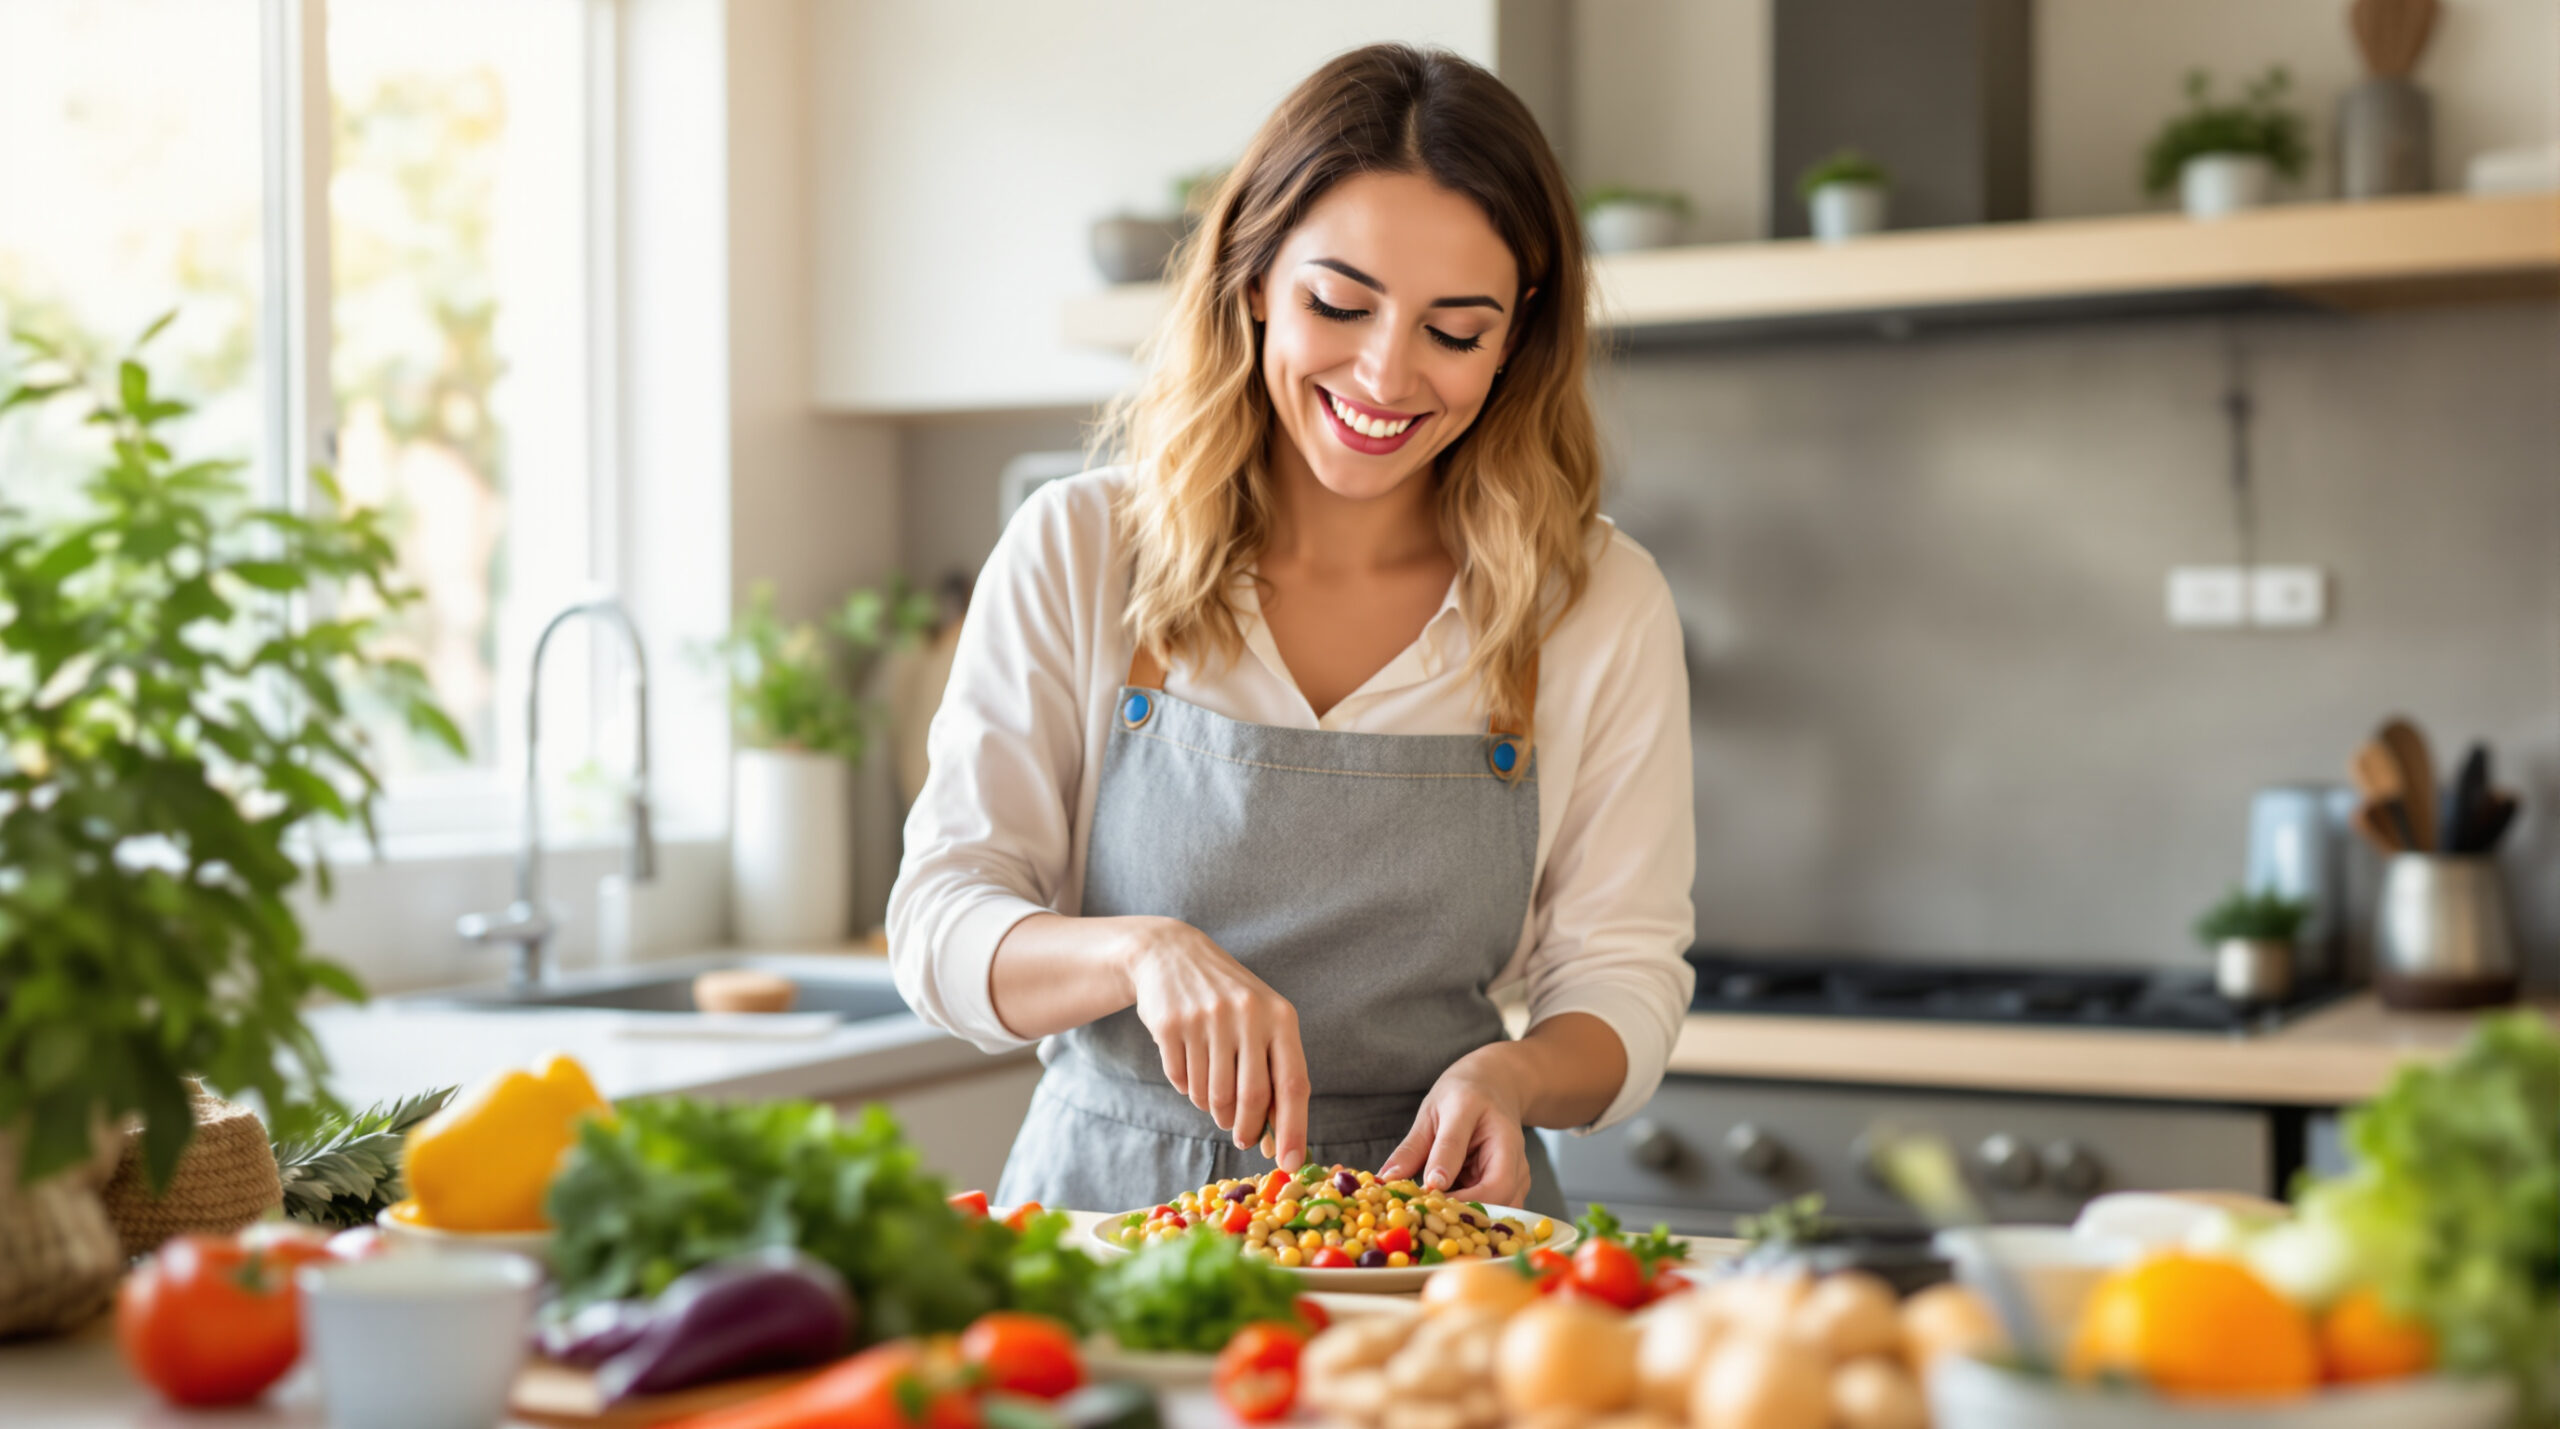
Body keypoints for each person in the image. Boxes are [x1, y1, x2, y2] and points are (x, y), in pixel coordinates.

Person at [887, 43, 1693, 1217]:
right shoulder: (1079, 549)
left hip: (1436, 1232)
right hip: (1105, 1224)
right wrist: (1137, 953)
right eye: (1337, 302)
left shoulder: (1595, 601)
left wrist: (1515, 1073)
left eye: (1452, 331)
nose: (1385, 373)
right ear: (1254, 276)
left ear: (1516, 333)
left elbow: (1620, 977)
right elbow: (939, 923)